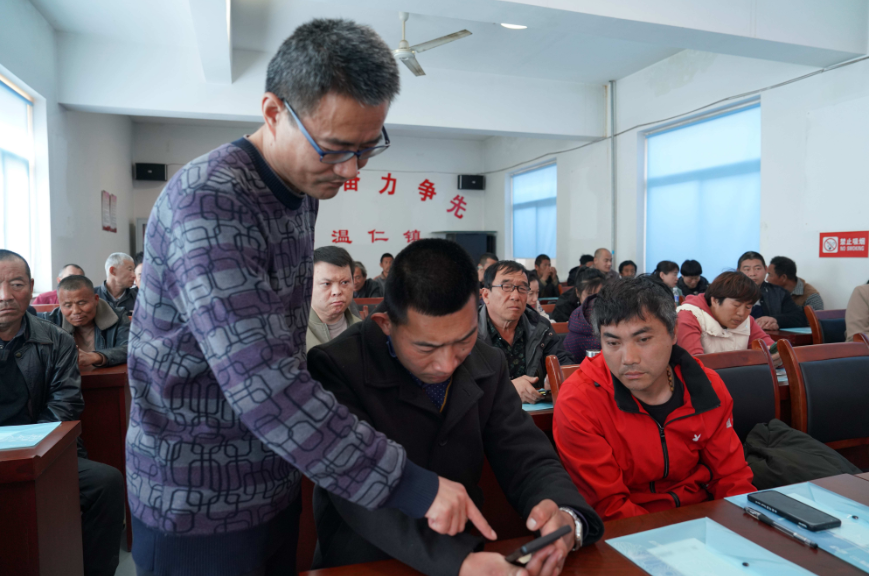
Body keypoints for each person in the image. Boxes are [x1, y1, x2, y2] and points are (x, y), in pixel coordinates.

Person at [127, 20, 491, 576]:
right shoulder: (210, 201)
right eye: (335, 149)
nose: (350, 170)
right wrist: (413, 485)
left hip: (271, 478)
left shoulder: (301, 189)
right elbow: (264, 384)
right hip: (198, 498)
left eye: (367, 149)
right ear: (273, 111)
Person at [307, 239, 604, 575]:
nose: (447, 364)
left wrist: (565, 514)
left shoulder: (487, 361)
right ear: (385, 324)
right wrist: (458, 561)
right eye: (426, 348)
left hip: (468, 550)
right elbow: (354, 480)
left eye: (463, 340)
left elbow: (526, 455)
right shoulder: (337, 365)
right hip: (368, 561)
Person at [553, 276, 755, 522]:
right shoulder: (580, 401)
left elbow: (731, 477)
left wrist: (741, 526)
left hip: (704, 519)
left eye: (643, 339)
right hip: (628, 531)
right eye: (613, 342)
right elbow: (609, 506)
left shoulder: (706, 386)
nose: (629, 358)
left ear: (673, 333)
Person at [0, 250, 125, 576]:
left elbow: (64, 406)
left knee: (106, 482)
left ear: (31, 287)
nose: (5, 296)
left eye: (16, 284)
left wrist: (27, 451)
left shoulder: (56, 340)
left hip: (43, 447)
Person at [479, 260, 574, 404]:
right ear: (486, 295)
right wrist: (507, 389)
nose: (515, 296)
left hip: (537, 413)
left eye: (522, 288)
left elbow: (563, 362)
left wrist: (557, 376)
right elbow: (461, 387)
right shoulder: (468, 332)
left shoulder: (540, 326)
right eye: (506, 287)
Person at [676, 272, 777, 358]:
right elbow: (694, 365)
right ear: (715, 300)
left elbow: (773, 350)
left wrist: (777, 357)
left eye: (748, 307)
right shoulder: (689, 316)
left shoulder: (747, 321)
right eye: (736, 305)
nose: (741, 313)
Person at [42, 275, 130, 368]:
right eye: (68, 305)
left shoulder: (117, 316)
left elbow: (130, 348)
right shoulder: (50, 321)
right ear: (60, 304)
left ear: (96, 299)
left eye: (82, 303)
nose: (76, 311)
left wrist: (96, 357)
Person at [307, 246, 362, 351]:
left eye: (344, 282)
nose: (337, 291)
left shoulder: (363, 330)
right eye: (326, 284)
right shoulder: (293, 332)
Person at [738, 251, 807, 330]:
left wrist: (775, 320)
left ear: (765, 269)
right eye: (747, 269)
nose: (752, 274)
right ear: (738, 271)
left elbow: (799, 318)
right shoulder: (730, 293)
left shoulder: (779, 293)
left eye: (757, 269)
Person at [563, 268, 607, 360]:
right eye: (589, 295)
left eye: (599, 295)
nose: (594, 301)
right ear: (578, 293)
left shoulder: (613, 319)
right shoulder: (576, 325)